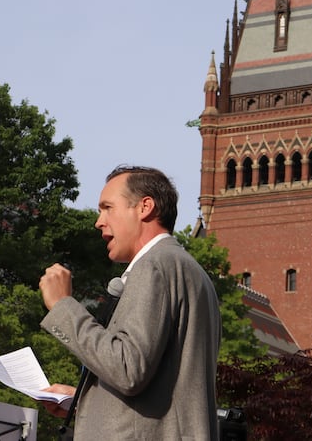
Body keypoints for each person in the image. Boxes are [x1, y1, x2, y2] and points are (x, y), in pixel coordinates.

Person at [39, 165, 222, 440]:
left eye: (107, 208)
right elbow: (160, 389)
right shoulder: (192, 272)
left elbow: (128, 370)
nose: (99, 221)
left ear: (144, 207)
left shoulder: (153, 266)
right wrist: (84, 399)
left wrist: (63, 305)